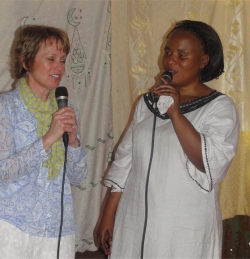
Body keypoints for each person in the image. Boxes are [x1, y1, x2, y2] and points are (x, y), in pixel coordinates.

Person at [97, 20, 240, 258]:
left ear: (203, 61)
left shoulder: (219, 107)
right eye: (168, 52)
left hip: (183, 230)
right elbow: (124, 161)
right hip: (134, 223)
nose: (170, 60)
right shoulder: (146, 103)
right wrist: (108, 214)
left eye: (181, 55)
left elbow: (210, 163)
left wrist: (175, 113)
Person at [0, 25, 88, 259]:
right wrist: (49, 139)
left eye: (62, 60)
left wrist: (73, 139)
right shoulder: (5, 108)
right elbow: (3, 171)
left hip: (57, 230)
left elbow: (78, 178)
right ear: (26, 62)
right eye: (50, 59)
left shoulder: (67, 110)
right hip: (12, 229)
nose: (59, 67)